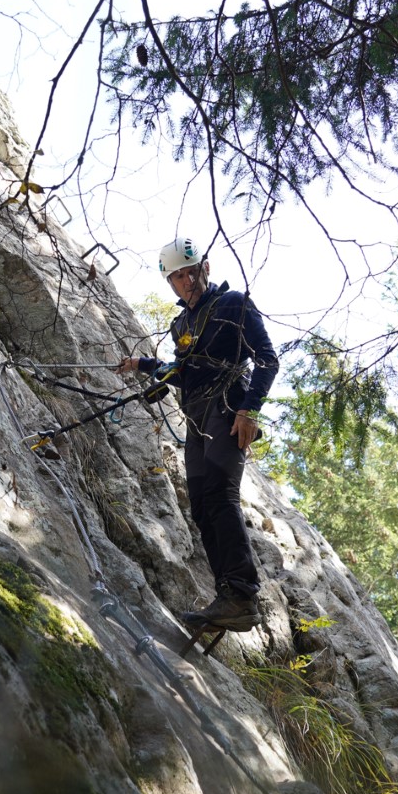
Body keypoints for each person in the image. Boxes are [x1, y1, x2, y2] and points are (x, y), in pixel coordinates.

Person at [118, 237, 280, 631]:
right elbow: (185, 371)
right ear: (170, 283)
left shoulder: (233, 303)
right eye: (178, 277)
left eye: (191, 272)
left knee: (221, 494)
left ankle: (242, 594)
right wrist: (143, 365)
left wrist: (249, 410)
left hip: (228, 407)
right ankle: (227, 595)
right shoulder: (182, 325)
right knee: (203, 506)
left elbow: (267, 359)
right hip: (197, 418)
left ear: (205, 268)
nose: (187, 282)